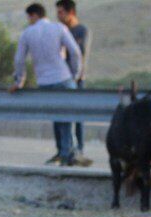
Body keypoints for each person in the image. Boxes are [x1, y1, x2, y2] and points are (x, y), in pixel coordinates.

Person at [11, 3, 83, 167]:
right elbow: (76, 52)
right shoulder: (58, 28)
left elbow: (19, 60)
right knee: (67, 117)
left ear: (34, 15)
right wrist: (75, 75)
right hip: (63, 77)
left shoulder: (27, 33)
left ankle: (62, 151)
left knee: (57, 117)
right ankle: (68, 153)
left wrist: (19, 80)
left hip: (44, 81)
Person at [55, 0, 90, 160]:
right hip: (61, 79)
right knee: (58, 114)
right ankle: (62, 149)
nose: (58, 16)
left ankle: (79, 149)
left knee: (77, 116)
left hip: (76, 78)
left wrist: (76, 76)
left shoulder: (81, 31)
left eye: (61, 12)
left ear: (71, 13)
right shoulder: (59, 30)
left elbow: (80, 55)